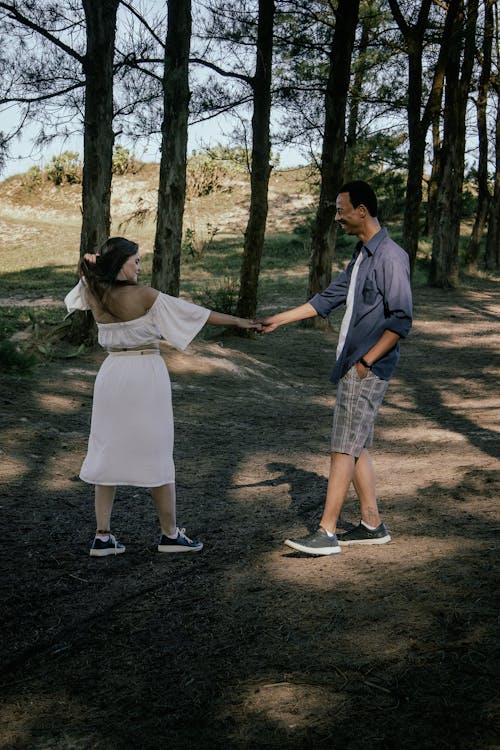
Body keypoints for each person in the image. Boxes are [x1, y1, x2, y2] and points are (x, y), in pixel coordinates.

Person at [65, 236, 261, 557]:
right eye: (136, 260)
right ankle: (169, 534)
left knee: (107, 450)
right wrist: (240, 321)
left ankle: (103, 536)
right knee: (156, 448)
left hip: (112, 374)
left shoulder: (92, 292)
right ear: (120, 263)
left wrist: (92, 263)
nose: (140, 267)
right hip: (144, 373)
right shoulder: (143, 295)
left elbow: (78, 288)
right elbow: (195, 313)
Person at [259, 180, 413, 556]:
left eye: (343, 210)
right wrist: (280, 319)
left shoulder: (391, 257)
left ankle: (326, 532)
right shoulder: (362, 255)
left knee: (343, 445)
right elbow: (328, 300)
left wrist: (366, 361)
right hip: (354, 364)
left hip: (365, 367)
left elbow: (401, 321)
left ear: (362, 211)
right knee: (355, 443)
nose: (338, 217)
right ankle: (372, 523)